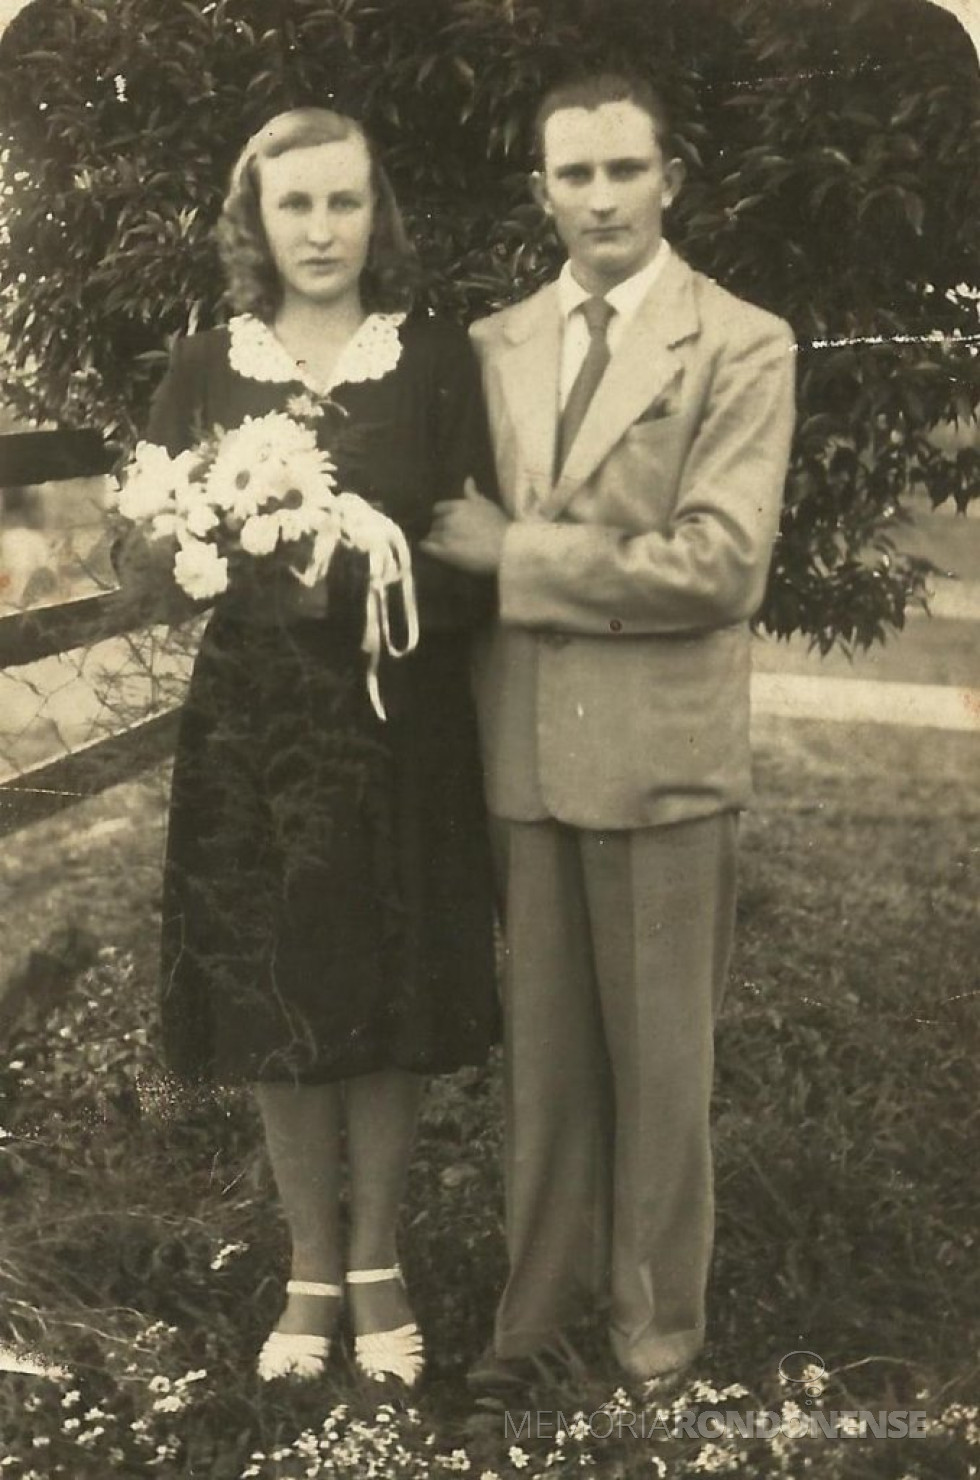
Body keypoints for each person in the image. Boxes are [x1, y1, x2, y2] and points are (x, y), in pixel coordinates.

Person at [422, 71, 796, 1392]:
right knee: (549, 1074)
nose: (598, 199)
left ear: (670, 178)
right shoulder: (489, 345)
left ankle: (653, 1344)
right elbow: (441, 544)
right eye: (571, 176)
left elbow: (721, 564)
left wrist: (519, 551)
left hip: (661, 758)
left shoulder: (742, 341)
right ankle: (532, 1326)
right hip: (523, 754)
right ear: (539, 192)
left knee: (660, 1073)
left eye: (622, 171)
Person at [139, 108, 500, 1388]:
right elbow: (153, 549)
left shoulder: (435, 363)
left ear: (375, 215)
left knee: (388, 989)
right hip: (254, 734)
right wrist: (212, 542)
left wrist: (364, 582)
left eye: (344, 203)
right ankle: (305, 1263)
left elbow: (475, 554)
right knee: (275, 986)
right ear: (256, 219)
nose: (320, 230)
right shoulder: (203, 365)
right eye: (293, 205)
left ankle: (377, 1258)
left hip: (396, 722)